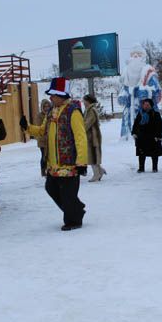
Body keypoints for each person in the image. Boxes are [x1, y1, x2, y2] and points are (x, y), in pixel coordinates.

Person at [20, 77, 88, 231]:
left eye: (53, 95)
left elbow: (80, 137)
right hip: (54, 163)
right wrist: (27, 127)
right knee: (51, 188)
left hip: (69, 162)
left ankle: (73, 220)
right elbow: (42, 131)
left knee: (67, 194)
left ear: (61, 95)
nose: (50, 98)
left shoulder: (73, 111)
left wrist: (82, 162)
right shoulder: (52, 111)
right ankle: (76, 210)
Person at [118, 45, 162, 139]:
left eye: (138, 54)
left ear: (143, 57)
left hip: (147, 110)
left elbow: (157, 91)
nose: (135, 56)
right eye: (133, 54)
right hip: (130, 112)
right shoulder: (126, 74)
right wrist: (123, 97)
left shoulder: (149, 73)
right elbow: (123, 91)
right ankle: (127, 137)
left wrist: (147, 93)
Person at [131, 98, 162, 173]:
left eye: (147, 105)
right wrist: (134, 133)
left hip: (153, 137)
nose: (146, 106)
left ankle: (155, 168)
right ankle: (141, 168)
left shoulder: (156, 114)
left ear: (151, 106)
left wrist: (158, 136)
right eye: (144, 104)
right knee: (141, 153)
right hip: (141, 137)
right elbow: (135, 125)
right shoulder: (140, 114)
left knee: (154, 153)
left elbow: (159, 126)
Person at [83, 94, 107, 182]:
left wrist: (81, 129)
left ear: (88, 101)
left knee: (92, 155)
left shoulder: (91, 110)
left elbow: (87, 123)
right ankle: (100, 170)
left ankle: (96, 174)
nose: (83, 102)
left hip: (93, 137)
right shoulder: (88, 110)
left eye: (84, 100)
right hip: (90, 136)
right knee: (93, 155)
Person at [34, 99, 52, 177]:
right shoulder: (40, 116)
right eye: (45, 106)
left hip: (50, 139)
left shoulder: (52, 114)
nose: (46, 108)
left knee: (50, 156)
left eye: (48, 106)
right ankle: (43, 170)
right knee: (44, 155)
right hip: (43, 139)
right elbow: (39, 127)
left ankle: (49, 169)